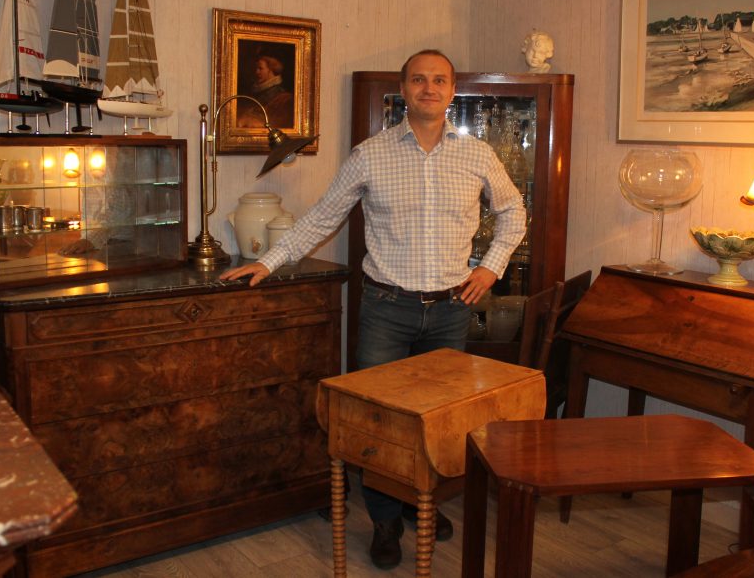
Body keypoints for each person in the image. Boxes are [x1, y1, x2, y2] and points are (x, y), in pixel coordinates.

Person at [221, 49, 526, 570]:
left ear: (452, 91)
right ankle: (386, 521)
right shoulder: (370, 154)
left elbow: (514, 211)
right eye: (418, 80)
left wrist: (491, 268)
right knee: (380, 423)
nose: (429, 88)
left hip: (451, 310)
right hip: (387, 309)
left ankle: (419, 503)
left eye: (439, 80)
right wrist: (268, 262)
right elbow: (323, 216)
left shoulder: (477, 155)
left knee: (439, 419)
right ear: (402, 90)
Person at [236, 54, 294, 129]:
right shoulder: (254, 93)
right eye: (256, 68)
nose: (257, 72)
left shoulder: (284, 98)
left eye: (260, 68)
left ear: (271, 70)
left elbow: (279, 125)